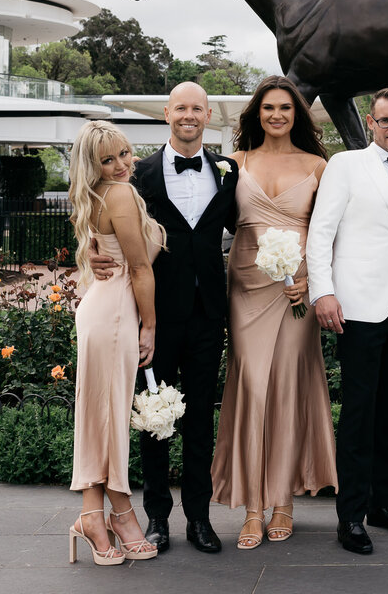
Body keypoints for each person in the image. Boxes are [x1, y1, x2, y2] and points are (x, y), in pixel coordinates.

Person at [90, 82, 238, 554]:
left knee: (199, 421)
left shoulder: (229, 171)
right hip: (151, 316)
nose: (189, 115)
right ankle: (156, 518)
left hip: (209, 314)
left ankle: (200, 518)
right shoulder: (137, 175)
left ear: (208, 114)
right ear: (167, 114)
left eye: (197, 108)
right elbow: (93, 216)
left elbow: (249, 227)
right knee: (153, 418)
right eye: (180, 108)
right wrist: (91, 252)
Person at [210, 76, 337, 549]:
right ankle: (253, 507)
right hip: (245, 288)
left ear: (296, 113)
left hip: (295, 294)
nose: (277, 115)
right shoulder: (232, 164)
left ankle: (282, 501)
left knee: (286, 386)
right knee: (252, 388)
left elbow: (330, 234)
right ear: (256, 114)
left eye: (285, 107)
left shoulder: (319, 166)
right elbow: (199, 221)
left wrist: (317, 282)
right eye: (268, 108)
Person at [306, 88, 388, 555]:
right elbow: (322, 231)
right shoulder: (345, 165)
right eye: (386, 120)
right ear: (370, 121)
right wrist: (324, 291)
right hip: (357, 307)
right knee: (359, 413)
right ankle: (350, 516)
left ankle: (384, 503)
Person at [68, 121, 165, 566]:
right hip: (116, 314)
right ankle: (120, 514)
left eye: (125, 153)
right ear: (93, 166)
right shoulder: (121, 194)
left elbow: (122, 250)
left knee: (101, 413)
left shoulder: (100, 196)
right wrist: (150, 325)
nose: (122, 165)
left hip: (102, 307)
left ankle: (93, 514)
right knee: (107, 416)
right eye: (107, 160)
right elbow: (141, 269)